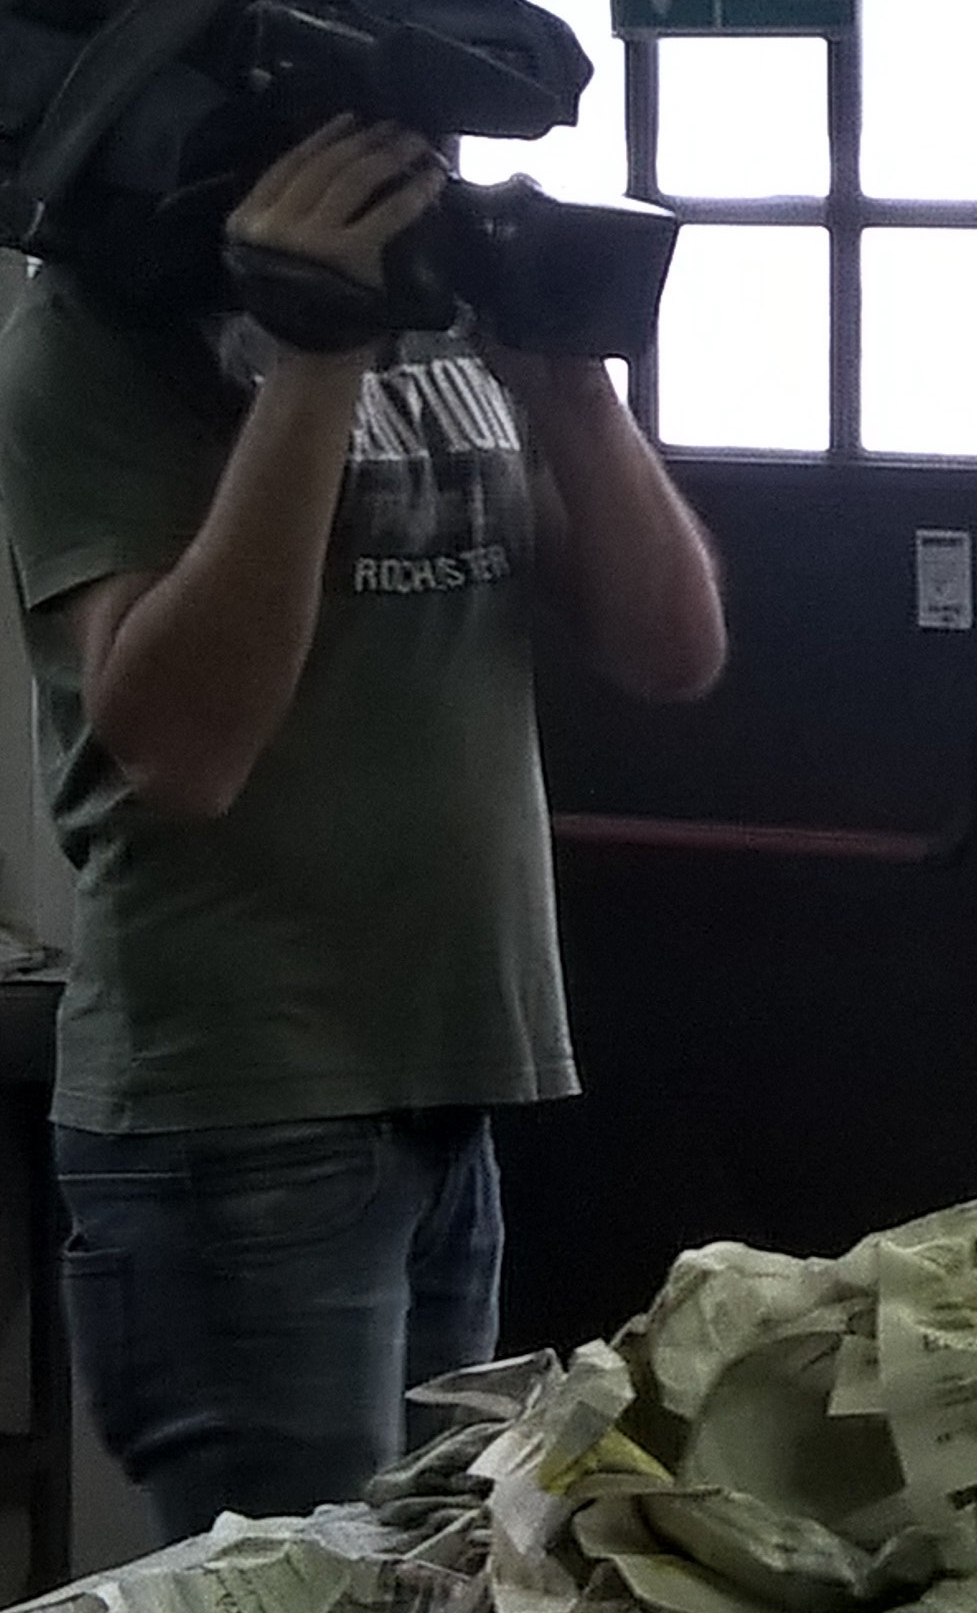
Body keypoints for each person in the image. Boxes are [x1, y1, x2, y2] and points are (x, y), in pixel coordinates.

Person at [0, 113, 727, 1540]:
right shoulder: (93, 332)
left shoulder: (440, 321)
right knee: (304, 1586)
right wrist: (314, 358)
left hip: (450, 1076)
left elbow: (671, 650)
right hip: (242, 1102)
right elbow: (183, 753)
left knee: (426, 1569)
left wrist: (568, 378)